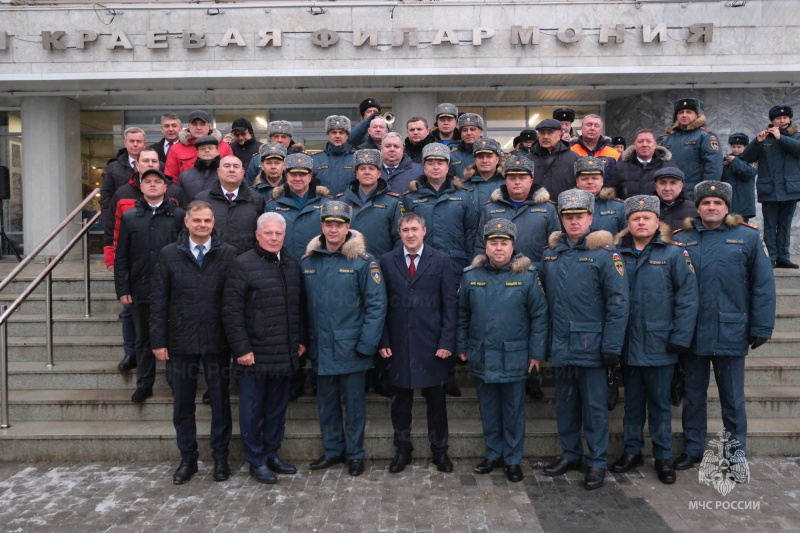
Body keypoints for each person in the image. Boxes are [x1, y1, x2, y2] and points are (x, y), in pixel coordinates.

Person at [672, 181, 776, 472]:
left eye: (718, 203)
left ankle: (734, 452)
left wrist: (762, 326)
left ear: (727, 207)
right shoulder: (683, 238)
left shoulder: (748, 237)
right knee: (693, 396)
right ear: (698, 206)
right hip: (692, 333)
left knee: (732, 398)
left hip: (731, 329)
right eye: (706, 203)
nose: (712, 207)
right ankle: (693, 449)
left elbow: (764, 285)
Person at [540, 189, 629, 490]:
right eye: (568, 217)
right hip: (561, 344)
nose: (573, 222)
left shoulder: (606, 254)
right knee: (565, 405)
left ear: (591, 218)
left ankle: (597, 462)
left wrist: (612, 346)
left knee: (594, 408)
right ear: (561, 220)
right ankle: (570, 454)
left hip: (593, 345)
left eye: (579, 216)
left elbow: (618, 302)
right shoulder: (550, 254)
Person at [611, 195, 698, 485]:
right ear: (628, 223)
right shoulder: (616, 253)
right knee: (632, 403)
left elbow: (687, 298)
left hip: (661, 342)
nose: (641, 222)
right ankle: (632, 451)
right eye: (635, 218)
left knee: (660, 404)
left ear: (656, 221)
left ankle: (662, 456)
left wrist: (681, 336)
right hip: (627, 342)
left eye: (647, 217)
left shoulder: (674, 253)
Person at [150, 200, 237, 485]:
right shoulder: (168, 254)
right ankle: (188, 459)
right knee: (182, 405)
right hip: (181, 340)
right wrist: (158, 341)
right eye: (197, 220)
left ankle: (220, 458)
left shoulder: (228, 254)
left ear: (214, 223)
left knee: (221, 404)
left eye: (207, 221)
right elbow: (159, 300)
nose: (202, 225)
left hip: (217, 341)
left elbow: (234, 300)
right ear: (186, 222)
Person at [458, 219, 549, 483]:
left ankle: (512, 459)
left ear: (512, 246)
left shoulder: (528, 276)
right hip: (482, 354)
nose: (498, 248)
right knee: (488, 409)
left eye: (504, 243)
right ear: (485, 246)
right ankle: (493, 454)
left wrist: (536, 354)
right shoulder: (471, 276)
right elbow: (462, 314)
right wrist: (461, 345)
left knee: (512, 411)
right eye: (493, 243)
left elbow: (540, 317)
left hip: (515, 356)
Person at [303, 201, 387, 477]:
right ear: (322, 227)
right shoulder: (310, 260)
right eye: (328, 224)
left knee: (353, 406)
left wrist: (367, 344)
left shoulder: (363, 262)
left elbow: (376, 305)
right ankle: (332, 451)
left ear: (348, 227)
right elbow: (301, 305)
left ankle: (355, 454)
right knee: (326, 404)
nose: (333, 229)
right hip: (321, 347)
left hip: (351, 347)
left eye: (339, 224)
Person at [222, 212, 307, 484]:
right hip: (253, 356)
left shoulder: (292, 264)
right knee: (251, 411)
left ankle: (272, 453)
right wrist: (241, 349)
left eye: (278, 234)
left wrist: (301, 340)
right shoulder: (241, 265)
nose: (273, 238)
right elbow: (231, 313)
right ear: (257, 235)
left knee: (276, 409)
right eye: (268, 233)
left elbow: (299, 308)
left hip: (283, 353)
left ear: (284, 236)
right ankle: (255, 460)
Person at [379, 212, 457, 473]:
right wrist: (384, 339)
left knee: (436, 402)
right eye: (405, 230)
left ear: (424, 231)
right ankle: (403, 449)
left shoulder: (442, 260)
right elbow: (380, 305)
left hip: (432, 344)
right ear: (399, 233)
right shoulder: (387, 261)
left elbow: (450, 304)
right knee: (400, 402)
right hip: (399, 343)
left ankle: (440, 451)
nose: (410, 234)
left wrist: (447, 340)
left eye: (415, 229)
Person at [104, 148, 185, 373]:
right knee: (140, 334)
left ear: (164, 185)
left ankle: (173, 380)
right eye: (147, 181)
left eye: (156, 181)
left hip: (171, 283)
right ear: (140, 182)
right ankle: (141, 377)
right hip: (140, 281)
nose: (152, 184)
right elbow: (118, 245)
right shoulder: (126, 206)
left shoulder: (178, 210)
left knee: (171, 333)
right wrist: (121, 284)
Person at [402, 143, 480, 285]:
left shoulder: (464, 195)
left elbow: (471, 233)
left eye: (440, 163)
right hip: (420, 264)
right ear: (424, 168)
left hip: (455, 265)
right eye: (430, 163)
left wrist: (471, 265)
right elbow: (402, 235)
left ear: (447, 167)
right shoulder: (410, 198)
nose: (436, 167)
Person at [741, 105, 800, 268]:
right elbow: (746, 157)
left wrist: (780, 137)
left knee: (785, 225)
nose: (782, 120)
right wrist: (756, 142)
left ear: (789, 119)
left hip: (790, 189)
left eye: (785, 118)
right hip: (769, 189)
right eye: (778, 118)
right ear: (772, 121)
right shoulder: (765, 138)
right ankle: (771, 256)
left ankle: (783, 257)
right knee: (770, 224)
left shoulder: (796, 136)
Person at [475, 154, 558, 265]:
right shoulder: (490, 208)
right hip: (499, 273)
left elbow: (555, 246)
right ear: (506, 181)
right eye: (512, 178)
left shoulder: (547, 208)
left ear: (531, 181)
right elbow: (480, 245)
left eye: (522, 178)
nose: (517, 182)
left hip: (536, 272)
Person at [264, 152, 330, 263]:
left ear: (310, 176)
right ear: (286, 176)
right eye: (293, 174)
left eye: (302, 174)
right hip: (284, 267)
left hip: (317, 266)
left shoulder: (326, 205)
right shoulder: (272, 206)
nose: (297, 178)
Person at [192, 155, 264, 256]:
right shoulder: (202, 199)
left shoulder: (257, 200)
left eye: (236, 166)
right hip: (212, 260)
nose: (231, 170)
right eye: (226, 166)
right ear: (218, 171)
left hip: (246, 261)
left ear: (242, 173)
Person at [337, 149, 402, 260]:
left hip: (381, 265)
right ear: (356, 173)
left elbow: (399, 238)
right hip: (348, 265)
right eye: (362, 168)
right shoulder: (342, 202)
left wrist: (391, 263)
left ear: (379, 173)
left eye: (371, 168)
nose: (367, 172)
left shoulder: (393, 202)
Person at [657, 98, 723, 198]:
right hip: (670, 194)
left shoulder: (705, 136)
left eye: (689, 112)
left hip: (694, 194)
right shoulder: (666, 139)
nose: (684, 115)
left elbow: (713, 166)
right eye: (681, 112)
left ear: (696, 115)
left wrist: (708, 191)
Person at [164, 110, 232, 180]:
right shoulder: (176, 149)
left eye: (202, 124)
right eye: (194, 124)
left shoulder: (224, 147)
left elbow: (232, 173)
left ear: (208, 127)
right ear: (189, 127)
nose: (198, 127)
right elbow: (170, 178)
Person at [610, 129, 677, 199]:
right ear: (634, 146)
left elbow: (679, 197)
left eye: (649, 141)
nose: (644, 145)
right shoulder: (620, 168)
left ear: (655, 145)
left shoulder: (668, 168)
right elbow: (612, 198)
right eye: (640, 141)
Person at [524, 118, 581, 199]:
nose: (545, 137)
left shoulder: (574, 158)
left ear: (560, 133)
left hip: (565, 208)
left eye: (550, 133)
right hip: (535, 209)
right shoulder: (527, 160)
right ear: (538, 135)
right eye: (542, 133)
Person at [100, 126, 147, 213]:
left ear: (145, 144)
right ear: (125, 143)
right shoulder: (113, 167)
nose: (135, 144)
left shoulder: (156, 165)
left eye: (139, 141)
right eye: (131, 141)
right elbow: (107, 194)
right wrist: (107, 217)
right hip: (122, 215)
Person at [574, 157, 626, 235]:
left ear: (602, 181)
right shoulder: (566, 206)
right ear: (577, 182)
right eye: (585, 179)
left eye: (595, 178)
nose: (590, 182)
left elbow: (626, 239)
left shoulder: (620, 207)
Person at [313, 115, 357, 196]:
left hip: (349, 205)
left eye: (341, 132)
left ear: (347, 135)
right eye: (333, 132)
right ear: (328, 135)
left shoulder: (356, 158)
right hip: (322, 206)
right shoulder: (315, 159)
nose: (337, 136)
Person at [569, 114, 620, 184]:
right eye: (589, 125)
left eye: (596, 126)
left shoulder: (613, 153)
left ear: (601, 130)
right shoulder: (570, 151)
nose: (592, 128)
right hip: (576, 194)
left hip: (605, 194)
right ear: (582, 127)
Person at [244, 120, 297, 186]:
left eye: (284, 137)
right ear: (270, 138)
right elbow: (248, 186)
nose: (280, 140)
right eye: (276, 136)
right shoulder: (257, 159)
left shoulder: (298, 158)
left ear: (290, 139)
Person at [721, 133, 758, 222]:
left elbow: (749, 174)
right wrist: (723, 166)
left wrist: (735, 161)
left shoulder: (752, 158)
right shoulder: (726, 160)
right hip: (729, 202)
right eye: (734, 147)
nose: (736, 149)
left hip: (744, 203)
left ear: (745, 147)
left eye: (739, 147)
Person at [462, 137, 505, 208]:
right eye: (480, 157)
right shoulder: (464, 186)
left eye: (489, 156)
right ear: (475, 160)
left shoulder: (507, 184)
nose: (484, 160)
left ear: (497, 159)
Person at [177, 135, 222, 201]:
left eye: (210, 148)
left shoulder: (226, 173)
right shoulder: (185, 176)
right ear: (197, 153)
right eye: (202, 148)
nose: (207, 150)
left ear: (218, 151)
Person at [653, 167, 696, 231]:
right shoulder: (647, 210)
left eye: (673, 183)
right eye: (662, 183)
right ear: (656, 186)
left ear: (681, 187)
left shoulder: (695, 210)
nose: (667, 188)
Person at [449, 113, 484, 180]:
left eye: (472, 129)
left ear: (480, 131)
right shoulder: (452, 156)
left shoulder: (491, 154)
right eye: (465, 130)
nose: (468, 133)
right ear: (461, 133)